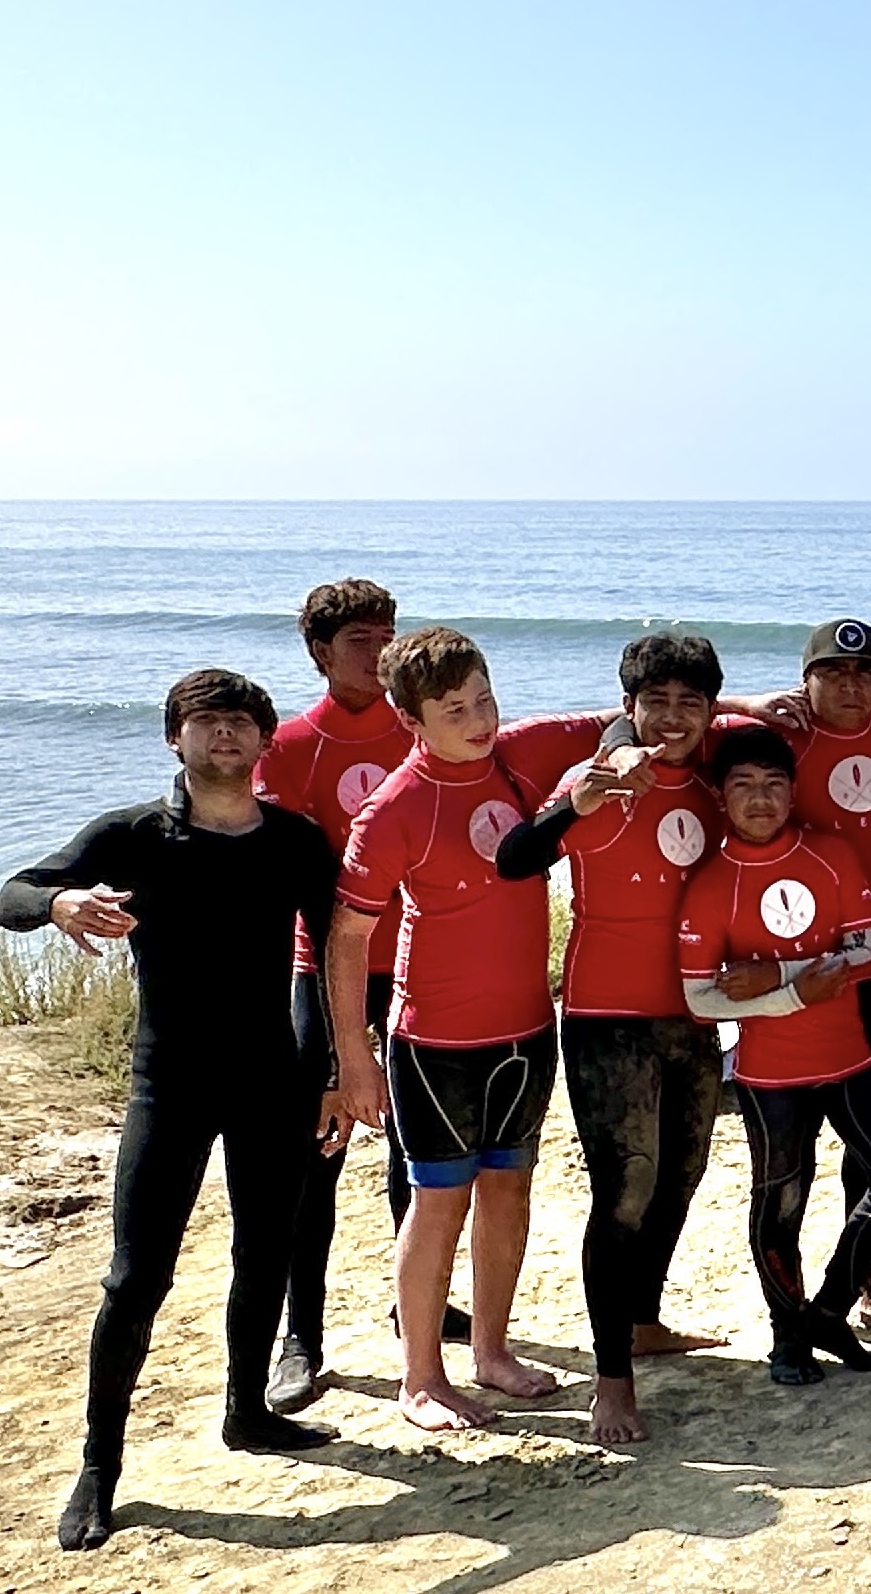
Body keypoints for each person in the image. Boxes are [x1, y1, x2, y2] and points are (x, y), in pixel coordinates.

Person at [0, 669, 350, 1551]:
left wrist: (342, 1068)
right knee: (134, 1278)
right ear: (174, 738)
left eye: (242, 721)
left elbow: (339, 953)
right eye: (207, 720)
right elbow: (12, 895)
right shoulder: (134, 835)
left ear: (264, 740)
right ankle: (99, 1465)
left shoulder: (296, 841)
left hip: (273, 1078)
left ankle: (248, 1411)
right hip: (170, 1083)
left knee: (264, 1253)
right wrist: (62, 901)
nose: (226, 733)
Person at [322, 628, 610, 1431]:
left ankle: (491, 1351)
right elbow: (347, 936)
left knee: (509, 1189)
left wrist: (756, 705)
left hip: (527, 1028)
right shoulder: (394, 808)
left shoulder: (518, 755)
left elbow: (625, 716)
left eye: (485, 699)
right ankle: (421, 1377)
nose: (480, 720)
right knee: (439, 1202)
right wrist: (353, 1055)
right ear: (411, 719)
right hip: (435, 1041)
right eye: (455, 710)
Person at [490, 633, 731, 1444]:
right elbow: (515, 859)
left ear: (710, 710)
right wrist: (577, 803)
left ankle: (643, 1319)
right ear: (628, 706)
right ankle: (612, 1378)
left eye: (690, 702)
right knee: (625, 1188)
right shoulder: (595, 778)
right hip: (607, 1017)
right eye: (655, 702)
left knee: (684, 1172)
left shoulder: (714, 782)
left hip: (694, 1012)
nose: (673, 717)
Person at [676, 722, 871, 1384]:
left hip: (849, 1059)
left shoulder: (831, 854)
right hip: (770, 1075)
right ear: (721, 797)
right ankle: (788, 1338)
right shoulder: (711, 884)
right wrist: (793, 993)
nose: (760, 799)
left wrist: (778, 974)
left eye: (774, 784)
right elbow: (700, 999)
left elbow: (867, 952)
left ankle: (829, 1312)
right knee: (781, 1205)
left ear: (792, 792)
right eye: (744, 786)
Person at [254, 577, 447, 1408]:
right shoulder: (292, 746)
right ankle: (301, 1335)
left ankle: (422, 1308)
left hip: (422, 963)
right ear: (320, 653)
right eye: (360, 640)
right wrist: (341, 1040)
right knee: (317, 1157)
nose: (379, 651)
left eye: (387, 634)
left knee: (420, 1149)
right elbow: (283, 878)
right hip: (327, 971)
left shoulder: (426, 731)